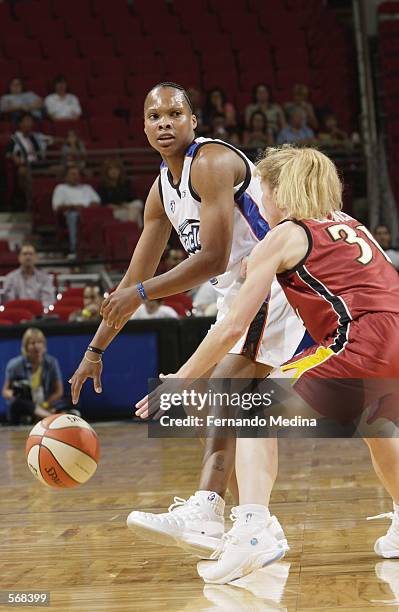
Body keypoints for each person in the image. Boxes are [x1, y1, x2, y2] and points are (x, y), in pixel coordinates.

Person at [68, 82, 306, 559]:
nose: (164, 123)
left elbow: (215, 257)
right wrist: (94, 351)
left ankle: (211, 511)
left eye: (174, 114)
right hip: (240, 294)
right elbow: (135, 279)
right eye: (154, 116)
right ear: (143, 126)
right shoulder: (161, 190)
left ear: (193, 121)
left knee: (218, 389)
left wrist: (141, 290)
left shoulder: (213, 162)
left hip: (279, 283)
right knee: (220, 406)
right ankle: (251, 526)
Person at [145, 145, 399, 583]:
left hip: (360, 340)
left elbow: (230, 328)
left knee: (253, 409)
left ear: (279, 190)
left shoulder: (283, 235)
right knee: (378, 426)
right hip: (392, 337)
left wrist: (181, 380)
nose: (258, 198)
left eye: (261, 187)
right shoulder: (351, 224)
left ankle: (254, 530)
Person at [2, 328, 73, 425]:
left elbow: (58, 391)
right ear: (26, 347)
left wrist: (46, 403)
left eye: (39, 342)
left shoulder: (51, 363)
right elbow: (5, 391)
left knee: (70, 399)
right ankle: (51, 416)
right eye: (32, 343)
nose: (37, 346)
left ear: (44, 345)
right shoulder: (14, 365)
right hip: (24, 405)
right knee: (17, 402)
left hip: (46, 402)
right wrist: (15, 393)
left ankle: (42, 414)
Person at [5, 113, 53, 206]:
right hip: (25, 164)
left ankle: (52, 197)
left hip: (39, 164)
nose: (30, 123)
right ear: (20, 124)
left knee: (60, 169)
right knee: (22, 172)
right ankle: (31, 199)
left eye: (31, 121)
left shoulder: (37, 136)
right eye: (27, 120)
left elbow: (53, 140)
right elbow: (8, 154)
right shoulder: (14, 139)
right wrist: (14, 157)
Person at [52, 165, 100, 257]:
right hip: (71, 214)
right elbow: (57, 206)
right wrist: (74, 207)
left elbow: (97, 202)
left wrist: (85, 208)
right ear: (66, 176)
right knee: (73, 216)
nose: (76, 176)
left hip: (88, 213)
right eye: (73, 174)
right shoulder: (61, 188)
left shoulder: (87, 188)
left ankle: (96, 250)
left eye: (77, 174)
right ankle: (74, 249)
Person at [3, 243, 55, 307]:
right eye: (25, 254)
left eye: (31, 254)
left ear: (36, 258)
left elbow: (48, 301)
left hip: (40, 315)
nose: (28, 257)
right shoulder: (10, 278)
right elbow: (9, 302)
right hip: (18, 314)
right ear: (19, 257)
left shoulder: (45, 278)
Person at [97, 158, 143, 227]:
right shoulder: (102, 187)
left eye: (116, 169)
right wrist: (122, 206)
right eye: (111, 169)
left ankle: (131, 228)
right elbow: (104, 205)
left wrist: (126, 206)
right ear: (106, 172)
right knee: (137, 214)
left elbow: (133, 199)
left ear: (120, 171)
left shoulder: (126, 184)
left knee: (138, 203)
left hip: (128, 208)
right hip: (115, 211)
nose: (114, 171)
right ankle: (135, 231)